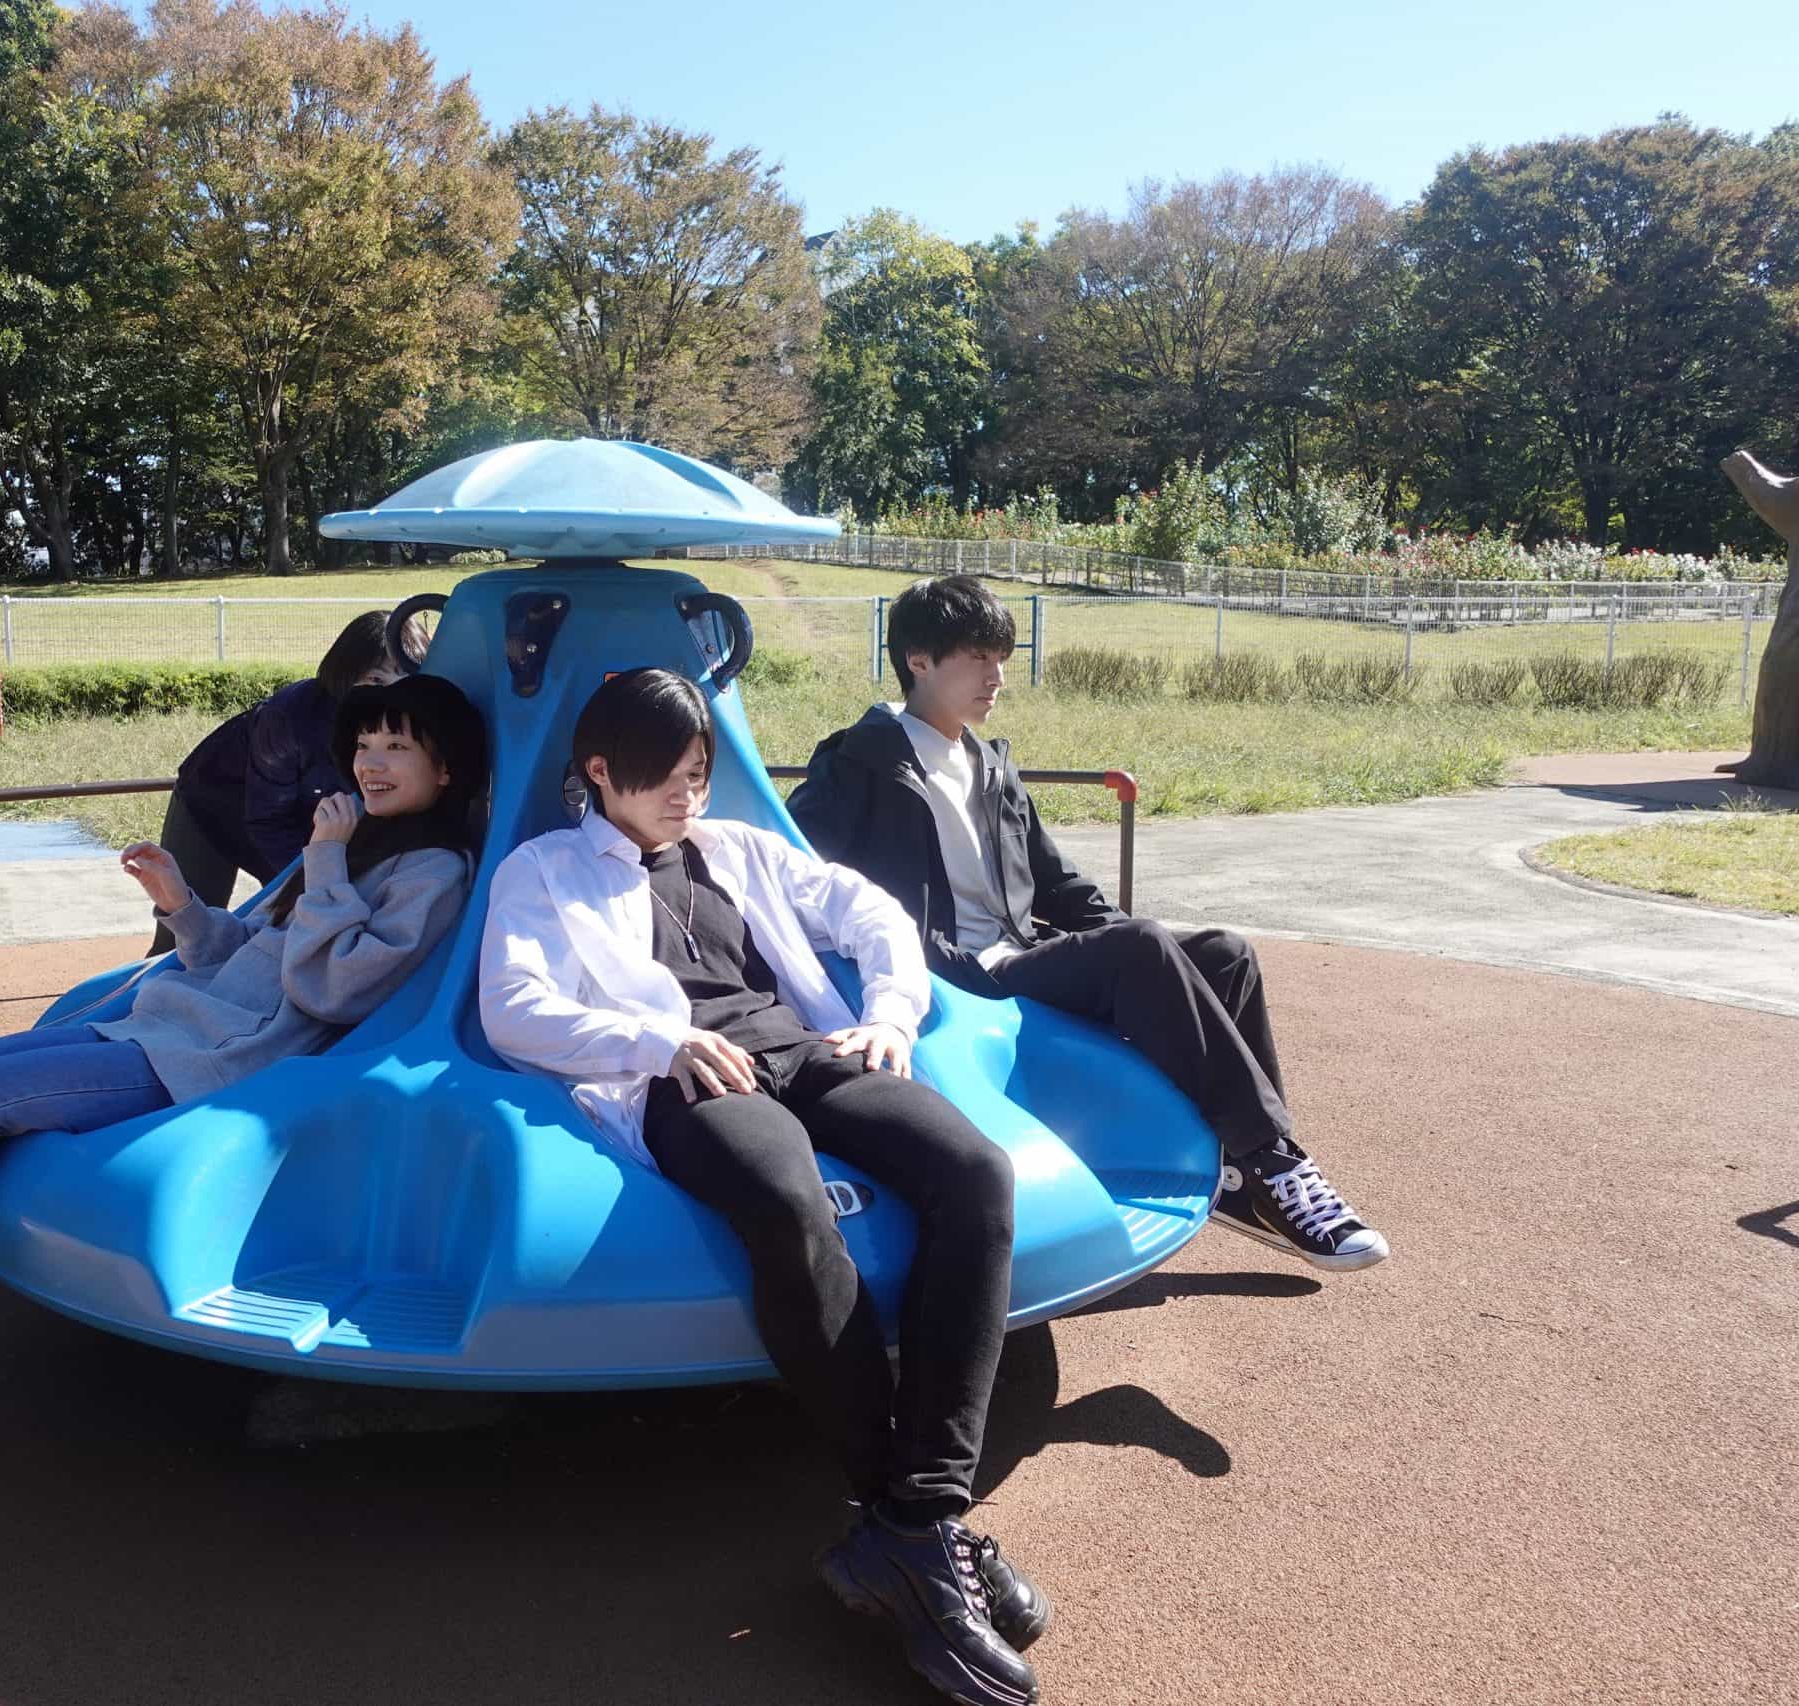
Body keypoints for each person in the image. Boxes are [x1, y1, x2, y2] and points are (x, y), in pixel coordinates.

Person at [0, 673, 489, 1434]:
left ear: (447, 770)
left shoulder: (432, 872)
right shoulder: (350, 846)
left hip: (212, 1058)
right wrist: (181, 903)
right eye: (366, 745)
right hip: (166, 1025)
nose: (372, 762)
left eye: (398, 748)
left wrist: (325, 861)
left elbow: (333, 989)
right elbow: (240, 954)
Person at [482, 668, 1047, 1706]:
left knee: (975, 1173)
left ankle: (917, 1519)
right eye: (662, 775)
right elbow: (512, 1004)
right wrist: (658, 1041)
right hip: (679, 1078)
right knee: (788, 1202)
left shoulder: (738, 846)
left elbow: (869, 910)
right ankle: (914, 1531)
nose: (685, 793)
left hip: (802, 1046)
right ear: (597, 770)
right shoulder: (544, 868)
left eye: (697, 771)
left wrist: (889, 1012)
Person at [788, 575, 1388, 1272]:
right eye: (978, 658)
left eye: (1001, 657)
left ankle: (1241, 1168)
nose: (997, 676)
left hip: (1022, 951)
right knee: (1141, 949)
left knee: (1224, 953)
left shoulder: (989, 763)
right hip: (959, 972)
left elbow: (1056, 880)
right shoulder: (858, 763)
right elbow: (795, 867)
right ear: (918, 660)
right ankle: (1273, 1163)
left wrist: (1136, 943)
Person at [147, 609, 426, 956]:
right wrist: (311, 884)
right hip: (216, 806)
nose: (391, 694)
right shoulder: (289, 720)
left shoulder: (413, 724)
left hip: (308, 818)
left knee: (298, 926)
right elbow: (268, 822)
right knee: (181, 938)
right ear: (346, 672)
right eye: (376, 679)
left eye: (406, 678)